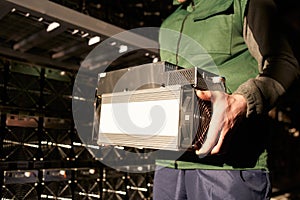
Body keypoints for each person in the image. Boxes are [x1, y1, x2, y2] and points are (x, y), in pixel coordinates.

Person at [153, 0, 300, 199]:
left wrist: (243, 101)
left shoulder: (243, 3)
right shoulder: (168, 23)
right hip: (167, 166)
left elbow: (284, 63)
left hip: (229, 168)